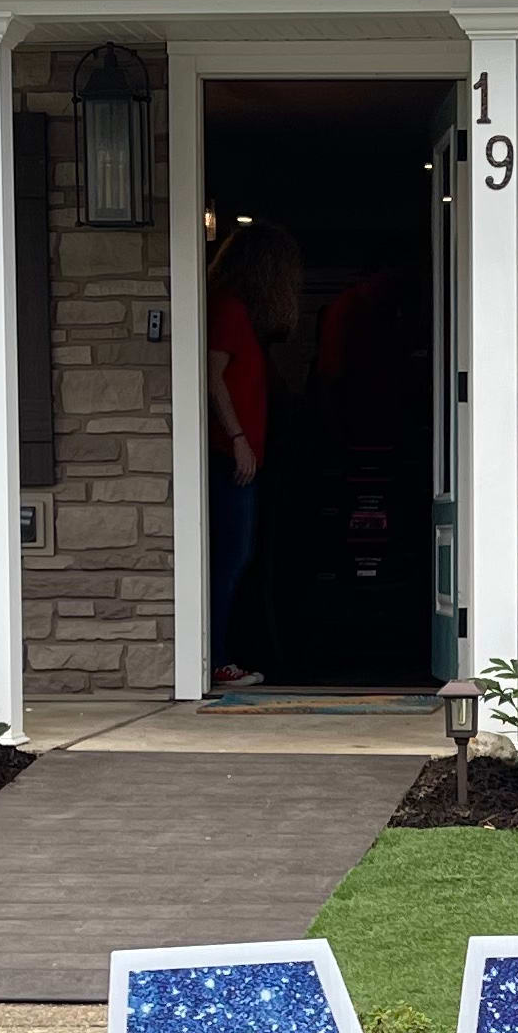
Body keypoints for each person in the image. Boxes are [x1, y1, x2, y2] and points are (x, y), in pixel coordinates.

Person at [207, 220, 296, 689]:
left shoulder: (237, 313)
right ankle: (216, 659)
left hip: (241, 454)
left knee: (237, 557)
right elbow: (212, 374)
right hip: (230, 457)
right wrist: (238, 438)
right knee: (230, 557)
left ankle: (222, 654)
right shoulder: (229, 310)